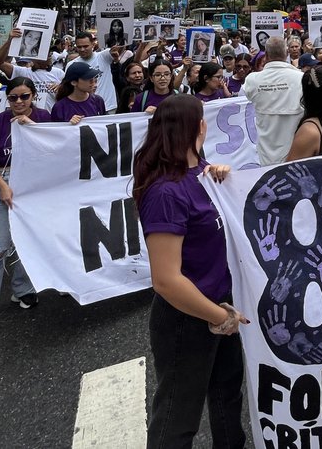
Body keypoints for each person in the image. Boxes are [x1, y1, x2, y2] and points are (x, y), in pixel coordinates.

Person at [134, 96, 247, 448]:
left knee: (227, 393)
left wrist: (221, 176)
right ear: (198, 127)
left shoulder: (199, 171)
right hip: (189, 317)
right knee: (178, 414)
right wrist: (218, 316)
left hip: (219, 303)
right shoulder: (165, 192)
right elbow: (166, 279)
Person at [0, 77, 49, 329]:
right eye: (13, 97)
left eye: (24, 96)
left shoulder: (44, 116)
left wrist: (32, 126)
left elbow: (55, 148)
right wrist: (2, 186)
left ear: (33, 96)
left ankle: (23, 288)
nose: (19, 102)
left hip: (33, 186)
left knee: (28, 242)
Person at [241, 37, 303, 166]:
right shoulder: (301, 78)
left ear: (267, 55)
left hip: (264, 152)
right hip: (294, 152)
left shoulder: (252, 80)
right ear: (287, 53)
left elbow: (240, 98)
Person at [0, 28, 62, 112]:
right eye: (43, 54)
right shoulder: (22, 72)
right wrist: (10, 41)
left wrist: (61, 87)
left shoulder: (59, 73)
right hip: (27, 117)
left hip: (51, 120)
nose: (48, 57)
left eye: (49, 54)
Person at [65, 32, 121, 110]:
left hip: (108, 106)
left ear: (93, 44)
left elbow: (117, 48)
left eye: (85, 46)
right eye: (79, 47)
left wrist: (116, 56)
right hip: (85, 109)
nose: (82, 49)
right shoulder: (71, 65)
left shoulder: (103, 56)